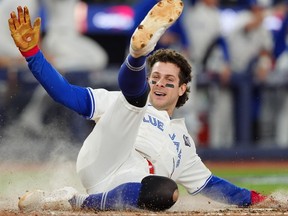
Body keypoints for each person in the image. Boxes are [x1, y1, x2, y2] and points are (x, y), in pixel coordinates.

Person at [9, 1, 267, 212]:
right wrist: (33, 54)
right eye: (154, 78)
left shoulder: (184, 141)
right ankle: (137, 54)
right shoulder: (117, 100)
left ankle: (72, 201)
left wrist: (258, 199)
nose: (160, 84)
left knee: (166, 193)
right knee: (134, 100)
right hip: (107, 155)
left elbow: (211, 184)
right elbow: (65, 94)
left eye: (169, 80)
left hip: (127, 185)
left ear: (182, 89)